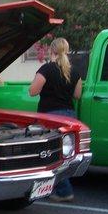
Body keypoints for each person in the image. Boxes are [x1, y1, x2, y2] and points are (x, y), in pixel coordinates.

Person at [29, 38, 82, 202]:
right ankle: (58, 188)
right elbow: (77, 95)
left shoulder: (46, 69)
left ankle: (64, 191)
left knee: (51, 154)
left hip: (50, 116)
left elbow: (33, 91)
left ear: (51, 51)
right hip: (69, 115)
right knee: (65, 153)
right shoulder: (74, 72)